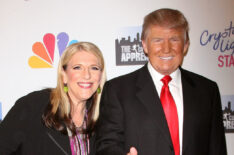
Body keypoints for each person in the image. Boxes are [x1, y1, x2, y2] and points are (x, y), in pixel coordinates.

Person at [96, 8, 227, 155]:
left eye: (174, 39)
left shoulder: (208, 91)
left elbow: (217, 149)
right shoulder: (117, 90)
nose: (166, 49)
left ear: (185, 45)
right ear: (144, 45)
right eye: (158, 40)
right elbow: (106, 146)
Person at [0, 42, 106, 155]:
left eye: (94, 68)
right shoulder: (33, 105)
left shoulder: (105, 116)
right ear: (64, 75)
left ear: (100, 76)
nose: (87, 75)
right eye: (77, 67)